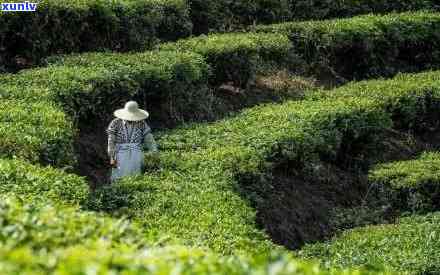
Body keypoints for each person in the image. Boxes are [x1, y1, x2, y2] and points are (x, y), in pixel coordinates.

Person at [106, 101, 158, 182]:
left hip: (136, 154)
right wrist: (112, 157)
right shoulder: (115, 123)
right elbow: (111, 141)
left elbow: (149, 139)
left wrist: (154, 151)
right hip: (120, 154)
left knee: (136, 177)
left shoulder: (142, 123)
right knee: (119, 178)